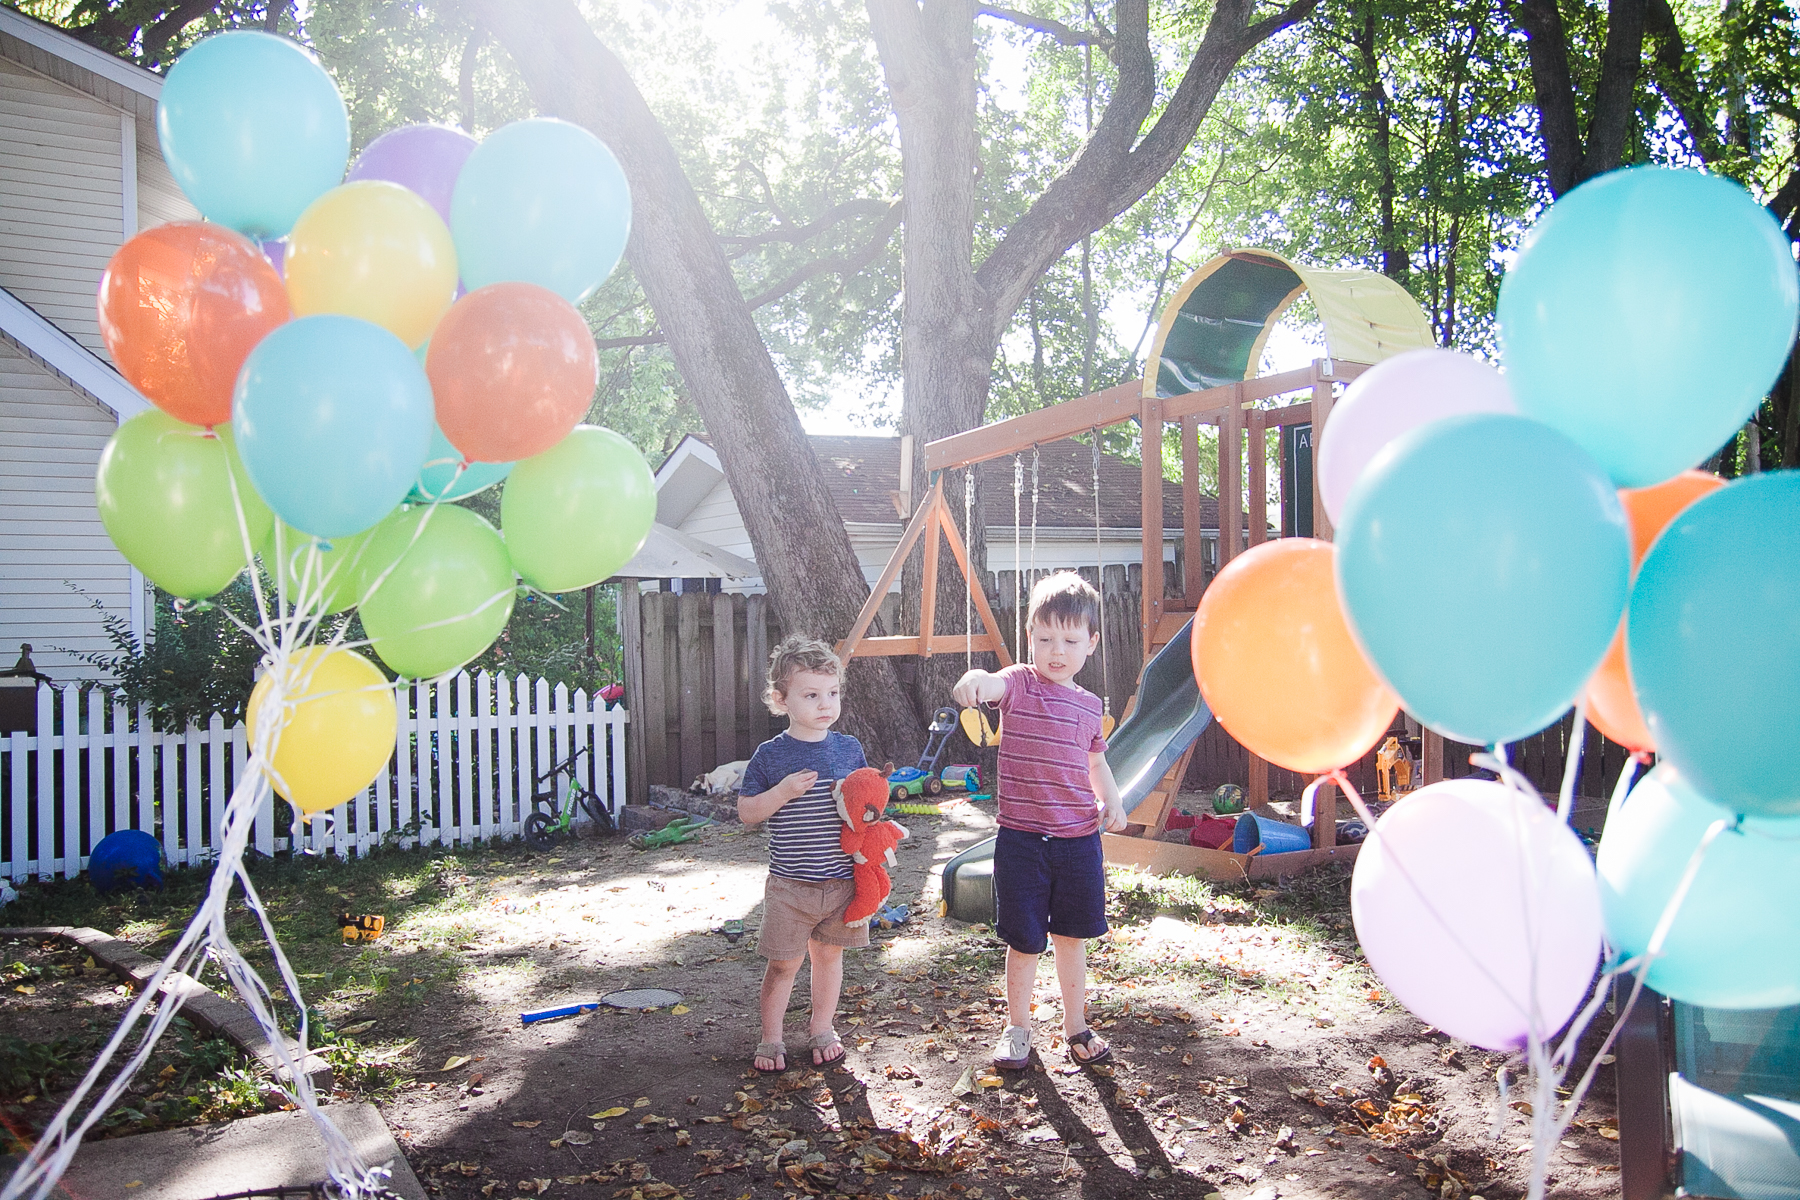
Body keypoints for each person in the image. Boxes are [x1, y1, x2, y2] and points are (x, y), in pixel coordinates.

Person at [952, 571, 1127, 1070]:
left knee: (1072, 937)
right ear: (1029, 637)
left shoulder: (1090, 707)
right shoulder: (1019, 684)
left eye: (1070, 640)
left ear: (1091, 644)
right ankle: (1017, 1030)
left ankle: (1077, 1027)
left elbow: (1096, 763)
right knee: (1024, 939)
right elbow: (989, 684)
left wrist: (1111, 800)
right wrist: (975, 682)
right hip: (1022, 841)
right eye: (1045, 638)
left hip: (1077, 841)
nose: (1057, 650)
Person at [738, 635, 869, 1072]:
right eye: (811, 695)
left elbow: (866, 810)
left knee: (829, 956)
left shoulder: (849, 749)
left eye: (832, 693)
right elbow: (747, 813)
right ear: (782, 700)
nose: (824, 704)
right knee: (784, 964)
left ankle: (822, 1028)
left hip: (840, 881)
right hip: (791, 885)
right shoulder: (771, 756)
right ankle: (771, 1038)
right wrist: (783, 790)